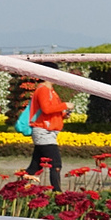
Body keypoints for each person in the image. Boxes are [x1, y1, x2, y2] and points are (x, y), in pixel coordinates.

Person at [25, 64, 69, 192]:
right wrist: (64, 105)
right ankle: (57, 193)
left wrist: (63, 114)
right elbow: (46, 109)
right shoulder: (43, 90)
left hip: (49, 131)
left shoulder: (50, 91)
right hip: (44, 131)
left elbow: (50, 110)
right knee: (55, 164)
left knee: (35, 166)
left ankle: (18, 189)